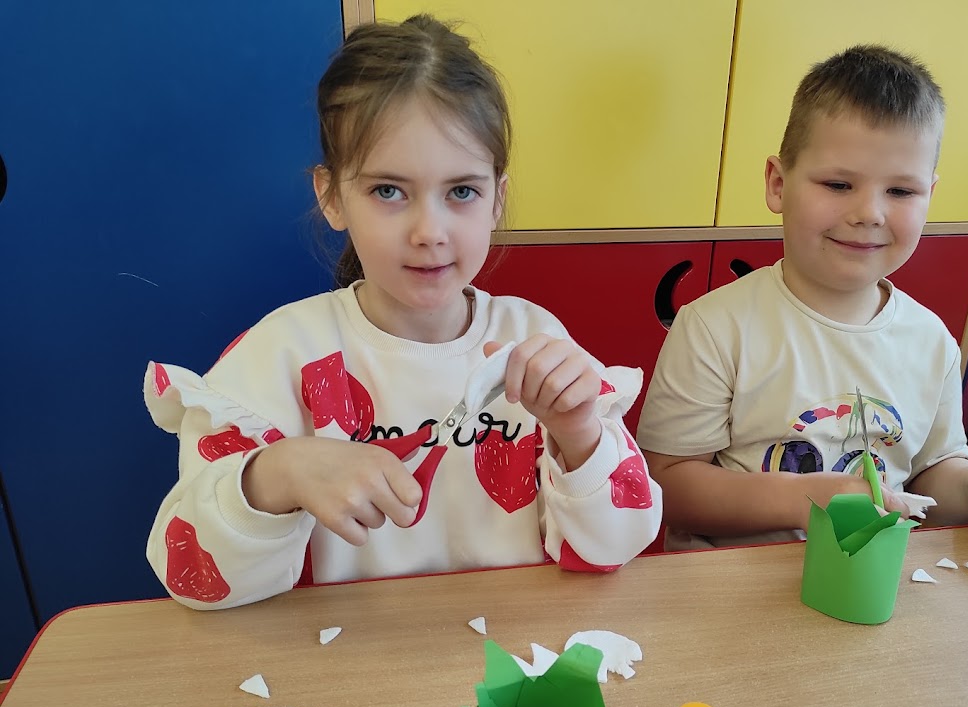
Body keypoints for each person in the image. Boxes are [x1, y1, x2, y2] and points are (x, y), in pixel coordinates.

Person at [143, 15, 661, 609]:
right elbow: (193, 579)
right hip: (340, 656)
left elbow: (613, 548)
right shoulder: (278, 356)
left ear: (497, 199)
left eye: (461, 191)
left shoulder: (534, 339)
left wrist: (579, 435)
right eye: (388, 191)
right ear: (331, 196)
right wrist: (276, 475)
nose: (429, 231)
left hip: (511, 653)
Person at [637, 44, 968, 550]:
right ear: (778, 184)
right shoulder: (714, 327)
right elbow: (668, 486)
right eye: (837, 184)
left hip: (872, 580)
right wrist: (806, 499)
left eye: (901, 192)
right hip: (732, 585)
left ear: (929, 197)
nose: (869, 212)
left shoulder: (931, 341)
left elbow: (931, 475)